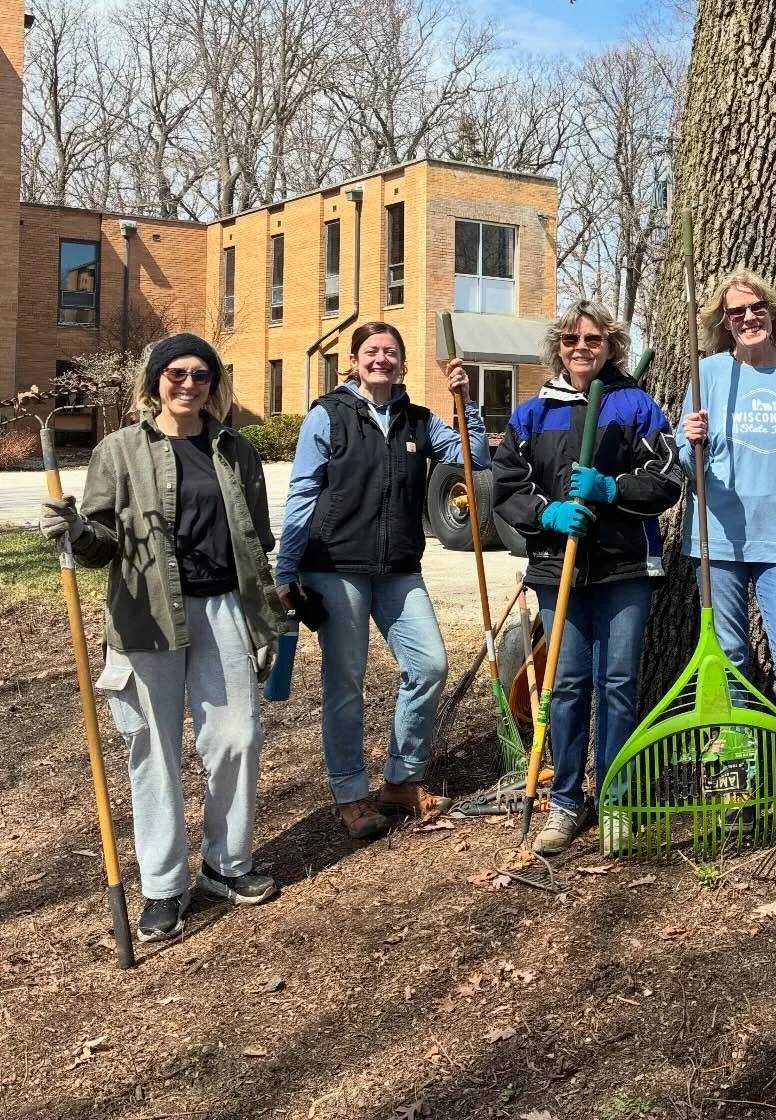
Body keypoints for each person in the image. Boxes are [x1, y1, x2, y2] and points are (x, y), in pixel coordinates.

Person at [38, 335, 285, 943]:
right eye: (176, 373)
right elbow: (99, 543)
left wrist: (267, 612)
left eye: (202, 374)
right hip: (147, 618)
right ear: (155, 381)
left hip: (225, 608)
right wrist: (72, 527)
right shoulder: (119, 451)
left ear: (213, 384)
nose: (189, 383)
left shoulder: (236, 450)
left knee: (237, 737)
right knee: (153, 749)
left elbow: (256, 539)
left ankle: (225, 864)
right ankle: (164, 885)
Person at [274, 321, 487, 841]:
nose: (381, 359)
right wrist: (287, 568)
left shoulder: (419, 421)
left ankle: (400, 777)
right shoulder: (328, 416)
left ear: (403, 364)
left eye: (391, 352)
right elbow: (304, 490)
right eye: (371, 351)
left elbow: (472, 455)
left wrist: (466, 401)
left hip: (397, 569)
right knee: (346, 683)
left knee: (430, 664)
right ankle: (350, 793)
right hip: (335, 565)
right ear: (353, 361)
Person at [492, 300, 684, 857]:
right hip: (560, 569)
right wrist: (546, 513)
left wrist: (612, 489)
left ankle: (619, 798)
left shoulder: (636, 406)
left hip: (626, 566)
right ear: (559, 345)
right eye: (573, 339)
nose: (582, 348)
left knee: (619, 684)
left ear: (610, 346)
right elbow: (506, 487)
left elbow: (668, 478)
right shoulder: (533, 413)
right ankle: (568, 802)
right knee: (568, 685)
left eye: (593, 340)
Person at [677, 270, 776, 749]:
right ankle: (744, 755)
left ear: (772, 311)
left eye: (756, 307)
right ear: (724, 322)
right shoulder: (708, 375)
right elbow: (690, 465)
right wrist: (691, 442)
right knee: (728, 657)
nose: (749, 317)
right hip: (718, 539)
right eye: (736, 311)